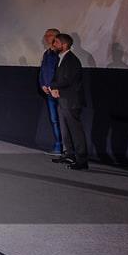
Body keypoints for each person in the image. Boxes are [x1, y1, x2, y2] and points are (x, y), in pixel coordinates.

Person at [48, 33, 87, 170]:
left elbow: (67, 80)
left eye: (56, 42)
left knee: (75, 131)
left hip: (71, 101)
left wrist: (53, 86)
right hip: (63, 100)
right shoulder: (62, 58)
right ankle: (69, 154)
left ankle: (82, 160)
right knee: (65, 130)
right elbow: (57, 78)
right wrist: (53, 87)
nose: (54, 45)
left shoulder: (72, 60)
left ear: (64, 45)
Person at [38, 28, 63, 156]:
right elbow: (43, 71)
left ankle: (66, 148)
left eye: (50, 35)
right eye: (46, 35)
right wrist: (42, 84)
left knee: (62, 120)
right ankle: (58, 146)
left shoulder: (60, 54)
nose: (46, 37)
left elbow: (60, 73)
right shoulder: (47, 53)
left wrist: (54, 86)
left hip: (59, 92)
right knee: (54, 120)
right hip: (48, 92)